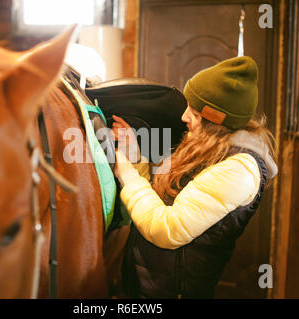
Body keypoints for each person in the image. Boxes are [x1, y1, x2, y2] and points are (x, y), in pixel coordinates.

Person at [111, 56, 278, 298]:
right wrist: (136, 157)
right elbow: (162, 196)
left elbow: (165, 227)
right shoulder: (207, 144)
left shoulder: (239, 170)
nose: (184, 116)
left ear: (215, 119)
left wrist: (125, 172)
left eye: (195, 111)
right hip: (148, 286)